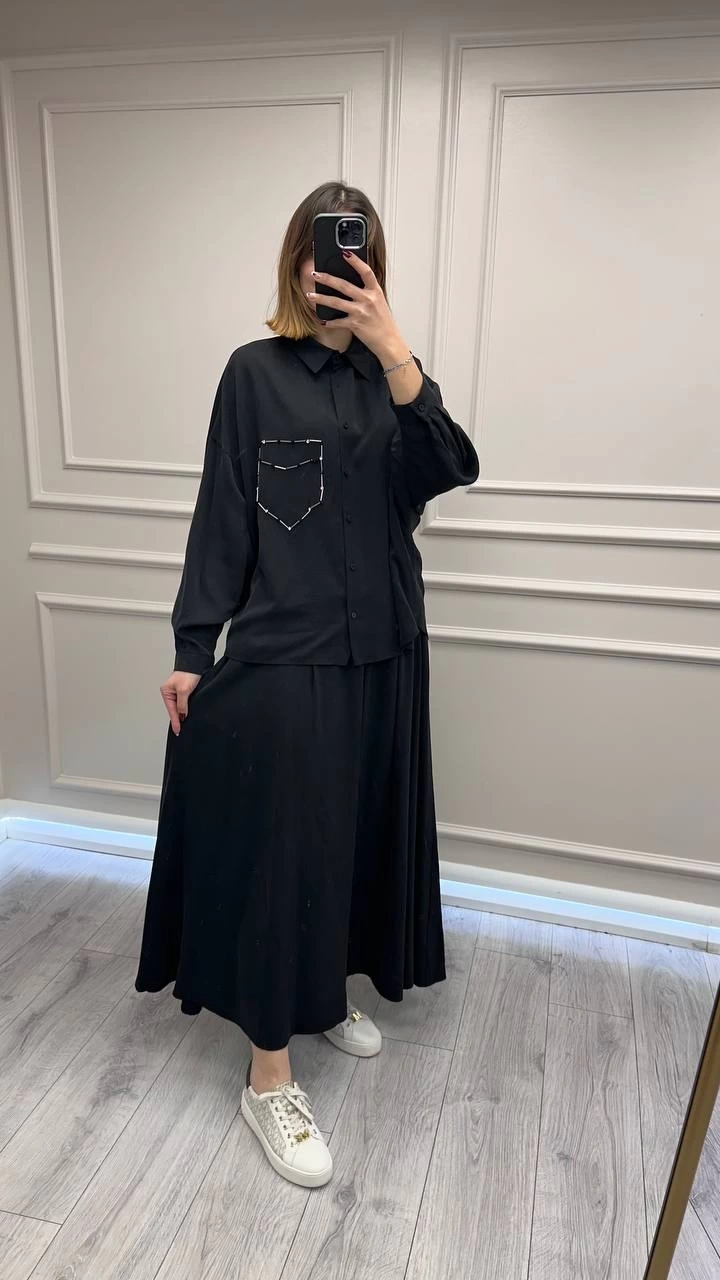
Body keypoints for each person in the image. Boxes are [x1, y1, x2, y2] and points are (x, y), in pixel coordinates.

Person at [134, 180, 480, 1189]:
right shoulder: (252, 375)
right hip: (288, 654)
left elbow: (452, 467)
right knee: (284, 855)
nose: (338, 274)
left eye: (358, 258)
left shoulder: (393, 381)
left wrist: (393, 345)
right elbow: (223, 516)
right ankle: (268, 1074)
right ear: (296, 264)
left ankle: (325, 994)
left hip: (388, 654)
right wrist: (193, 647)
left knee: (356, 839)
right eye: (324, 256)